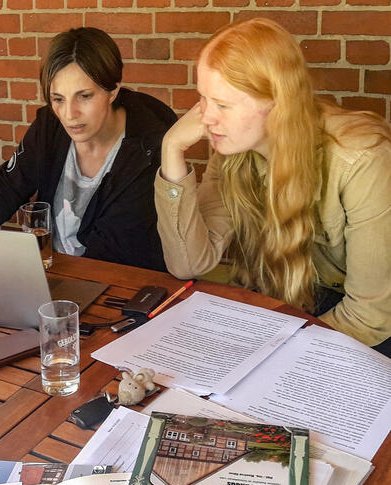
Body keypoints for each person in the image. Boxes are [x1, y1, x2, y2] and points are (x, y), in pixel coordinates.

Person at [155, 18, 391, 347]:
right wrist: (172, 149)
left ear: (276, 103)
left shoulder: (362, 160)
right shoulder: (233, 151)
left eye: (222, 104)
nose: (206, 117)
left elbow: (370, 317)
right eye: (203, 99)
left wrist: (270, 352)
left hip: (368, 326)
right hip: (303, 304)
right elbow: (188, 263)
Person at [0, 27, 176, 271]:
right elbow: (11, 185)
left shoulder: (148, 147)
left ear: (113, 90)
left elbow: (115, 247)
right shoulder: (50, 126)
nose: (69, 115)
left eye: (85, 96)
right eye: (58, 99)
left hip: (119, 284)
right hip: (54, 273)